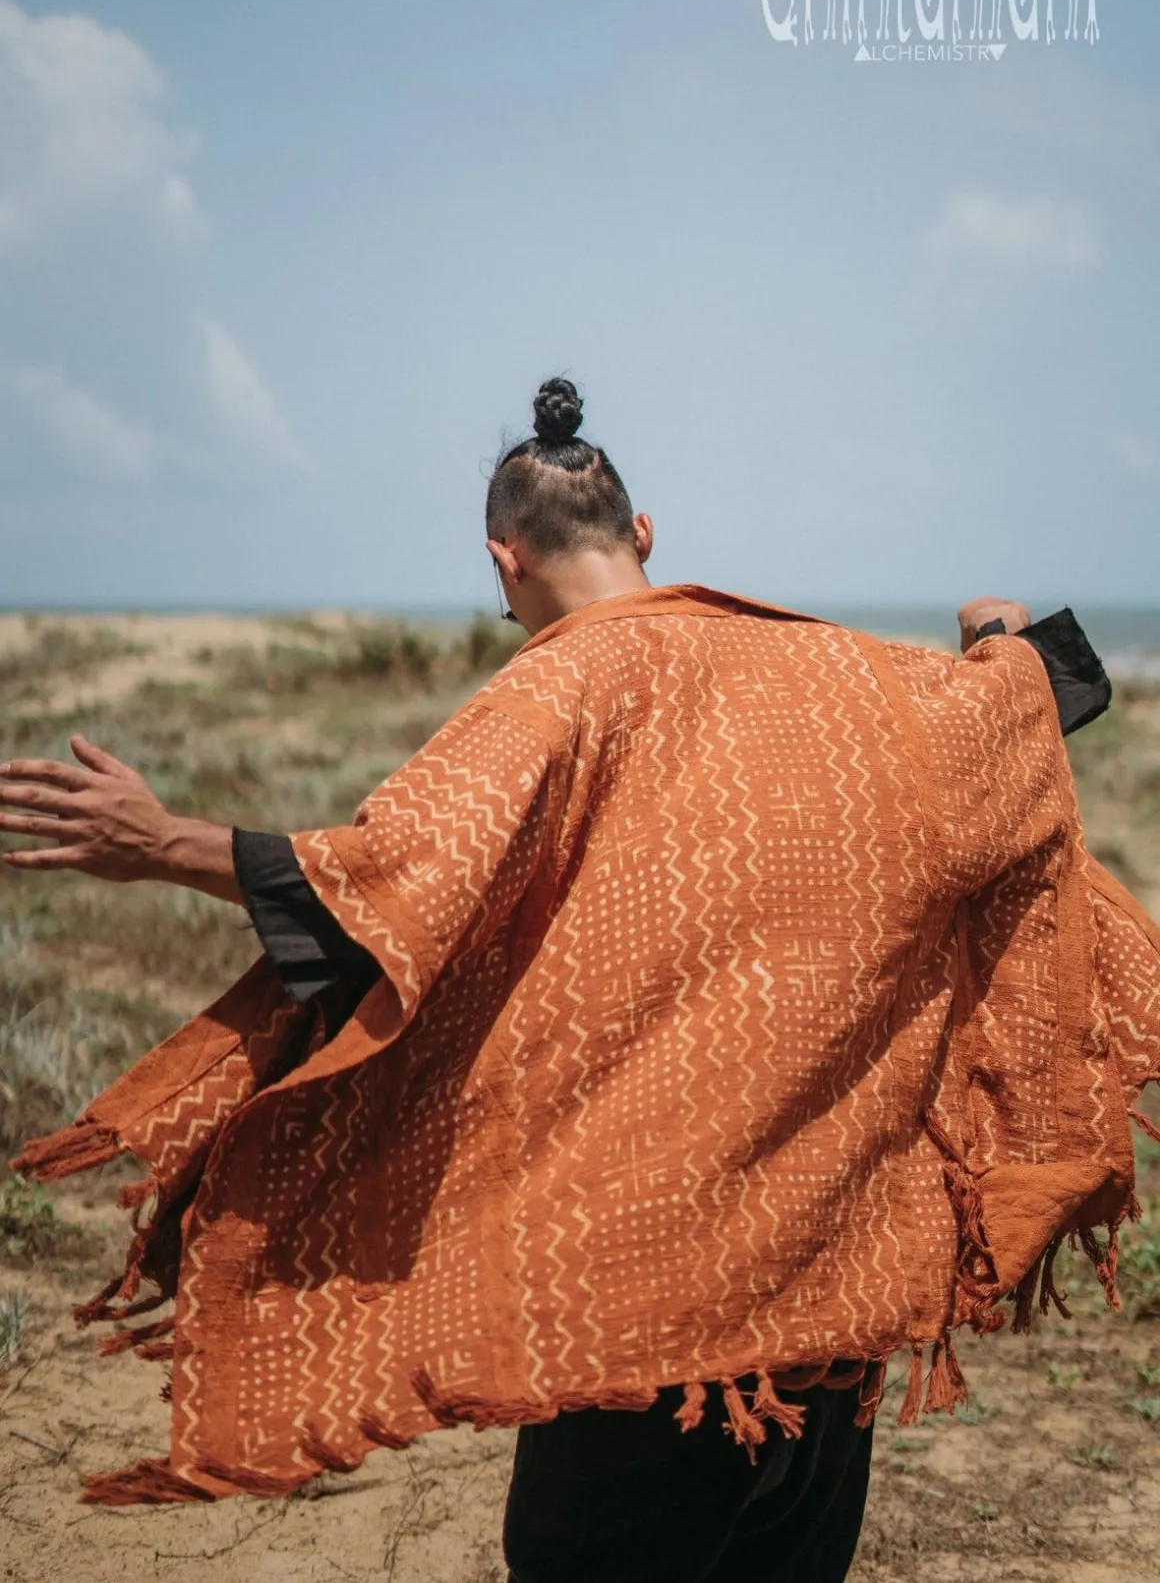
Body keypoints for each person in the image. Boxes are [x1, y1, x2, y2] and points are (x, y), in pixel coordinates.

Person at [3, 379, 1157, 1583]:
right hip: (833, 1320)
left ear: (503, 562)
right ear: (642, 533)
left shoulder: (551, 691)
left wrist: (162, 845)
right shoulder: (841, 673)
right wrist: (994, 641)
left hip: (645, 1326)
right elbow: (1032, 702)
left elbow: (383, 896)